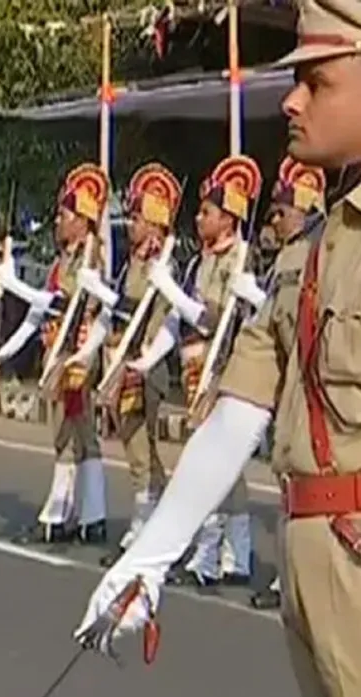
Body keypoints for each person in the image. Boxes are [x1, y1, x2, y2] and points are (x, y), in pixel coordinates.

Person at [73, 1, 361, 697]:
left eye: (317, 83)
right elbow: (238, 414)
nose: (293, 101)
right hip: (308, 556)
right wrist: (150, 556)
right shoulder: (310, 250)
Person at [139, 154, 262, 587]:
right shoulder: (198, 261)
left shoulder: (239, 259)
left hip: (222, 369)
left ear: (228, 219)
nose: (198, 217)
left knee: (217, 463)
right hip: (193, 370)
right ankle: (221, 553)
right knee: (212, 463)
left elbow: (211, 320)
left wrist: (168, 288)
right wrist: (148, 358)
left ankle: (222, 552)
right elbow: (179, 320)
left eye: (207, 211)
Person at [0, 164, 111, 545]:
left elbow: (64, 303)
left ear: (83, 221)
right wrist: (1, 354)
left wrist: (15, 285)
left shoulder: (90, 259)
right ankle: (80, 514)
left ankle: (75, 514)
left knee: (75, 432)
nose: (58, 221)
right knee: (68, 432)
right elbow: (41, 311)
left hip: (76, 353)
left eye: (65, 214)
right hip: (56, 350)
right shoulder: (64, 261)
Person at [71, 162, 183, 568]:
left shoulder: (162, 264)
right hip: (122, 359)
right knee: (137, 447)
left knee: (140, 450)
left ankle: (144, 526)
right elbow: (118, 311)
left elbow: (158, 319)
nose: (131, 225)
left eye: (137, 218)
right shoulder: (133, 262)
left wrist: (140, 359)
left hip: (145, 365)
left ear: (154, 224)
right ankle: (157, 521)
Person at [244, 156, 327, 611]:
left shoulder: (322, 247)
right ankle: (290, 575)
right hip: (288, 382)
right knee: (288, 480)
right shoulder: (288, 254)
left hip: (314, 383)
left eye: (282, 211)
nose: (274, 220)